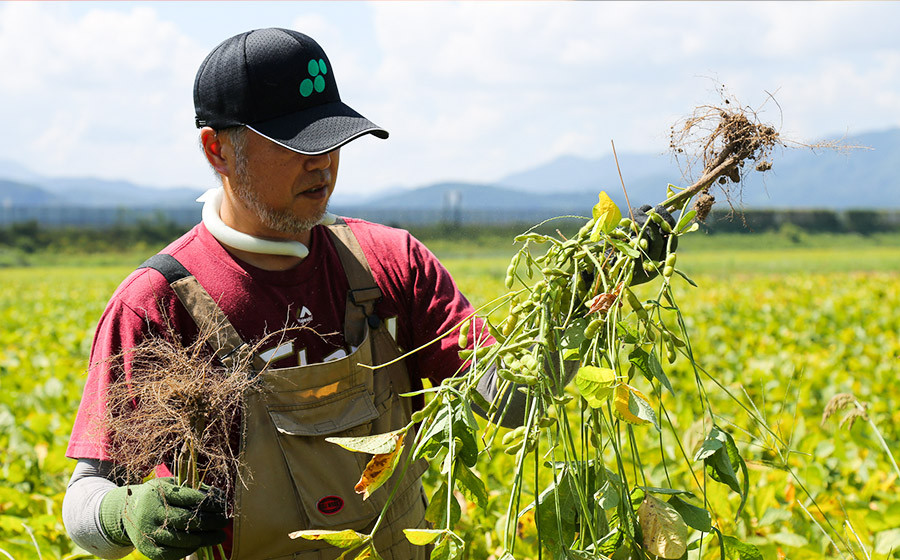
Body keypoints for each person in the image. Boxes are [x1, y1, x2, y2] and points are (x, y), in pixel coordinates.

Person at [62, 27, 675, 560]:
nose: (322, 164)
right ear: (216, 148)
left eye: (332, 141)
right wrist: (126, 514)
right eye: (293, 144)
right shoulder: (159, 304)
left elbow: (509, 401)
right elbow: (84, 503)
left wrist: (584, 296)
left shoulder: (390, 264)